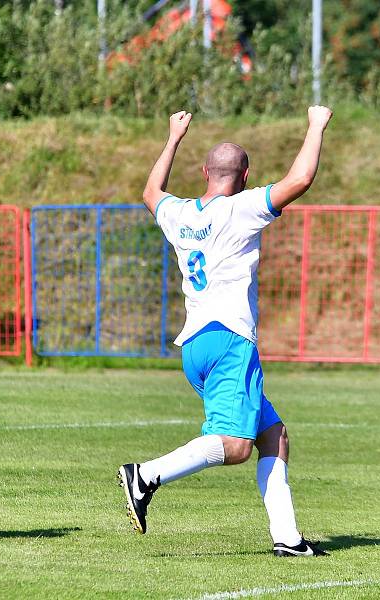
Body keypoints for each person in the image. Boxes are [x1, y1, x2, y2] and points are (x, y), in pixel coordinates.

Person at [118, 106, 333, 557]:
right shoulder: (242, 209)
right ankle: (146, 475)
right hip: (230, 338)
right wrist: (315, 126)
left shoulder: (180, 213)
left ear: (205, 172)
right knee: (236, 446)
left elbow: (150, 191)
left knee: (274, 435)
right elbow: (300, 180)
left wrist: (173, 137)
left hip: (196, 342)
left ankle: (288, 539)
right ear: (247, 173)